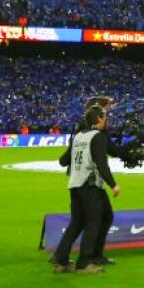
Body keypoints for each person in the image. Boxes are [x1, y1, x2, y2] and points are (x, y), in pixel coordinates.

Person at [52, 107, 120, 275]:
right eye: (103, 117)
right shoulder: (97, 137)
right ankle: (84, 263)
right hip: (90, 187)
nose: (105, 120)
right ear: (98, 119)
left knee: (76, 223)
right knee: (93, 223)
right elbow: (100, 164)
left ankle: (61, 261)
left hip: (75, 186)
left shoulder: (78, 137)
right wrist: (113, 184)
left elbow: (63, 160)